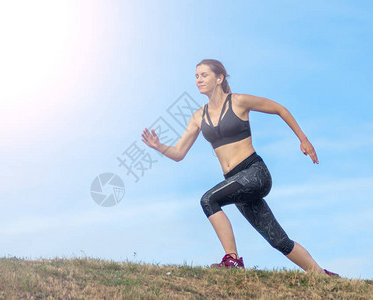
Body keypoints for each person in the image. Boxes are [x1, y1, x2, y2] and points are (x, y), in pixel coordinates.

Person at [141, 59, 339, 276]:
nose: (198, 80)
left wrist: (304, 139)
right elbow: (179, 154)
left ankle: (232, 259)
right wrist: (159, 146)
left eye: (204, 75)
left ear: (219, 78)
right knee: (279, 241)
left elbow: (279, 109)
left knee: (209, 199)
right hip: (235, 183)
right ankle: (322, 276)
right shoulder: (198, 117)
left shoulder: (238, 101)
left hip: (255, 173)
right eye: (196, 76)